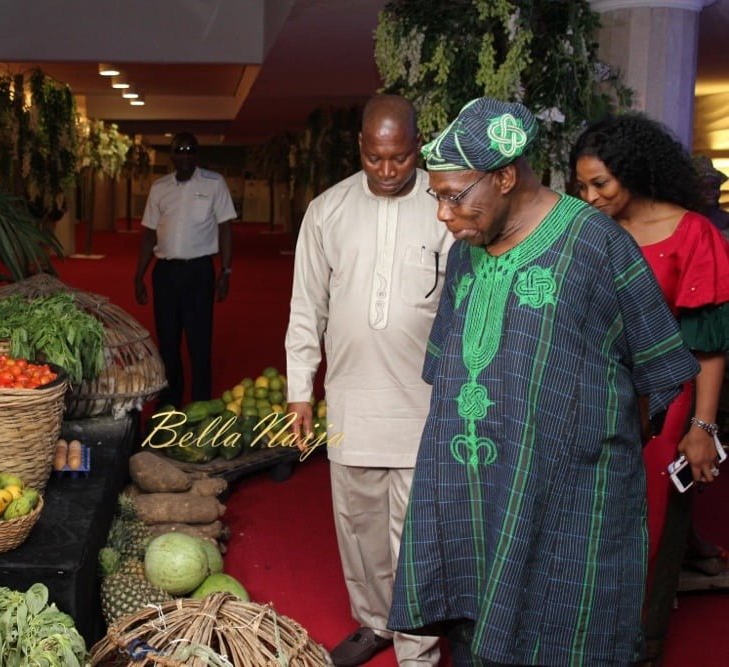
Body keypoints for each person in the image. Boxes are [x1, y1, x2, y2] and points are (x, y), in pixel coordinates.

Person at [387, 98, 700, 666]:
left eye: (454, 195)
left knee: (566, 630)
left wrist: (585, 435)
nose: (442, 213)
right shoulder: (465, 251)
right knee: (476, 621)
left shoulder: (594, 244)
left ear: (505, 176)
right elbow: (448, 366)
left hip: (570, 492)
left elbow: (658, 367)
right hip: (473, 484)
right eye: (436, 196)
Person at [285, 94, 452, 667]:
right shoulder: (327, 210)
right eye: (376, 158)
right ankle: (375, 622)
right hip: (352, 401)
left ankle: (418, 648)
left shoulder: (448, 205)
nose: (387, 171)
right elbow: (306, 307)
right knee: (359, 527)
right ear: (360, 146)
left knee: (415, 537)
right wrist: (300, 391)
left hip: (424, 402)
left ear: (418, 148)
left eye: (400, 159)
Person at [570, 114, 729, 662]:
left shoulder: (692, 233)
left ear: (633, 174)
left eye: (601, 185)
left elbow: (707, 345)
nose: (589, 197)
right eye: (581, 186)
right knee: (583, 524)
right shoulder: (585, 228)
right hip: (590, 398)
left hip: (662, 406)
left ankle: (637, 646)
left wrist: (702, 428)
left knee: (650, 526)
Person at [134, 132, 236, 407]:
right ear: (172, 155)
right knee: (167, 343)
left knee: (199, 343)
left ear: (197, 154)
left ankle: (200, 404)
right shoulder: (160, 187)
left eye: (191, 149)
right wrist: (139, 275)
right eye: (180, 150)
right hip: (165, 274)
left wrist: (225, 272)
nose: (185, 155)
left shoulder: (215, 184)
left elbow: (226, 228)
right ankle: (171, 401)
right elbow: (149, 234)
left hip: (198, 272)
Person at [694, 154, 729, 237]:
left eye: (714, 187)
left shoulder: (727, 219)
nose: (709, 192)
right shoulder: (685, 220)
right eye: (703, 187)